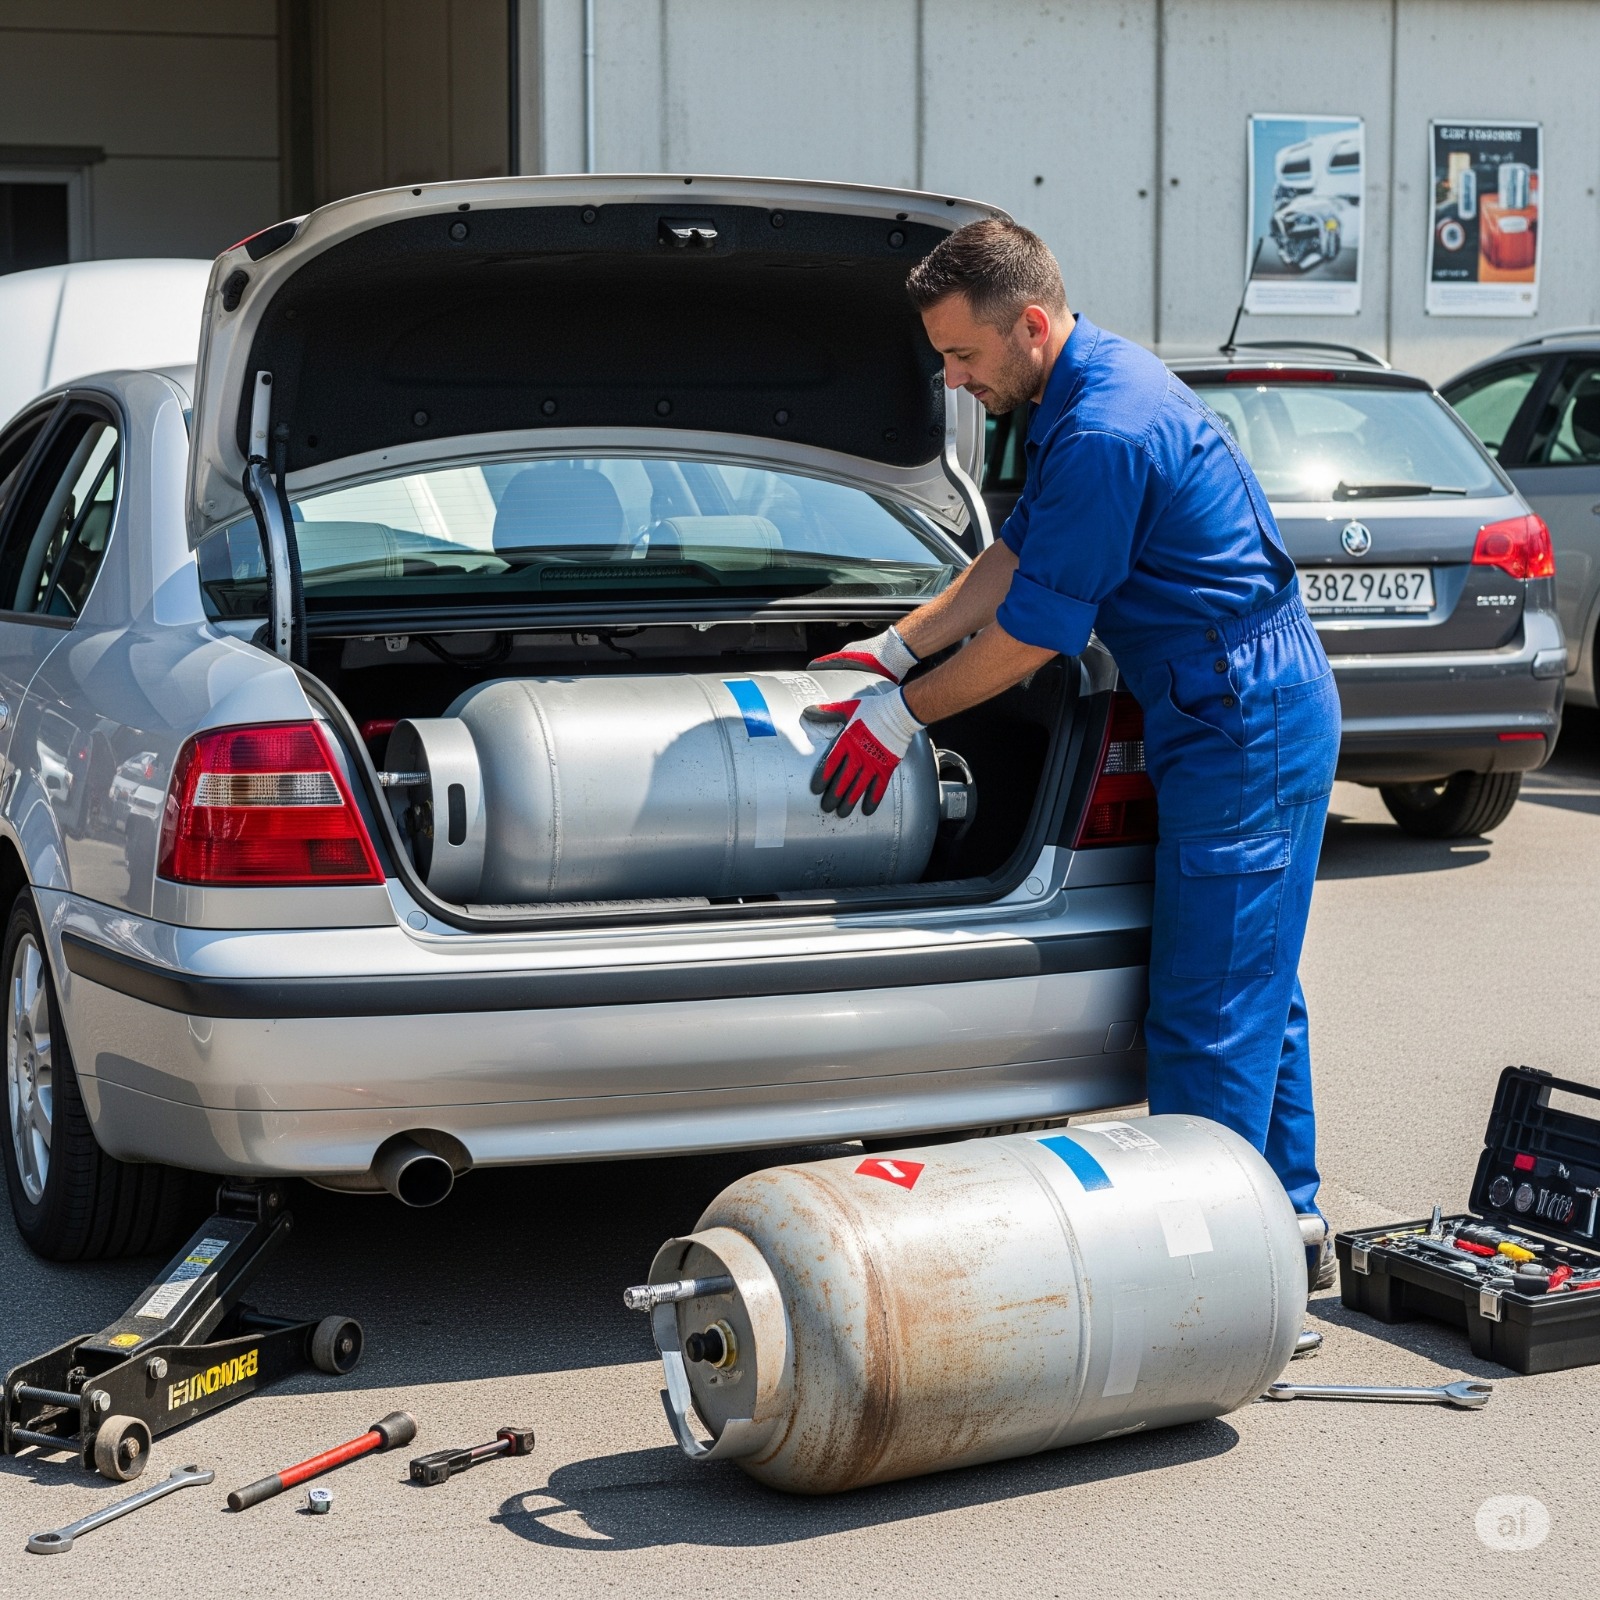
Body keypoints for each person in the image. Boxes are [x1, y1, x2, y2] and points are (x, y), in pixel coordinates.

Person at [804, 219, 1341, 1284]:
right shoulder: (1077, 392)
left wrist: (904, 714)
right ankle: (1285, 1235)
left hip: (1242, 716)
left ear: (1032, 325)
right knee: (1255, 994)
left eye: (962, 356)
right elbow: (1015, 555)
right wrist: (898, 642)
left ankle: (1216, 1289)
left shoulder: (1104, 430)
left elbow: (1035, 636)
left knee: (1205, 1016)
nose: (952, 381)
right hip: (1229, 700)